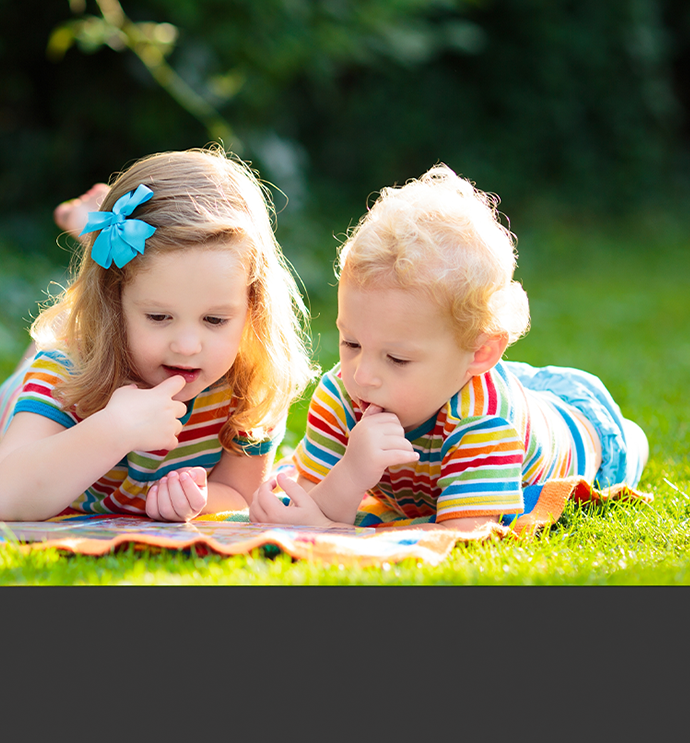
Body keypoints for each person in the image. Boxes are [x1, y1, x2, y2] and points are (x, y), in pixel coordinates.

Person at [0, 148, 316, 521]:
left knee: (100, 316)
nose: (188, 346)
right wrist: (114, 429)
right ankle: (94, 238)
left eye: (215, 321)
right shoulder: (66, 370)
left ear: (253, 307)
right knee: (53, 346)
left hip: (114, 334)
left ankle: (96, 238)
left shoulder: (249, 381)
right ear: (115, 305)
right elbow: (9, 497)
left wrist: (193, 502)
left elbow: (238, 492)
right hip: (84, 371)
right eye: (159, 317)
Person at [249, 165, 649, 529]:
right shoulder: (341, 394)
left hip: (581, 429)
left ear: (478, 355)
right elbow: (305, 505)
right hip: (485, 384)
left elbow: (463, 535)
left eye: (397, 358)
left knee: (626, 447)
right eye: (351, 342)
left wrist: (331, 530)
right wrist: (350, 473)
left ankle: (629, 439)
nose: (362, 374)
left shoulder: (485, 422)